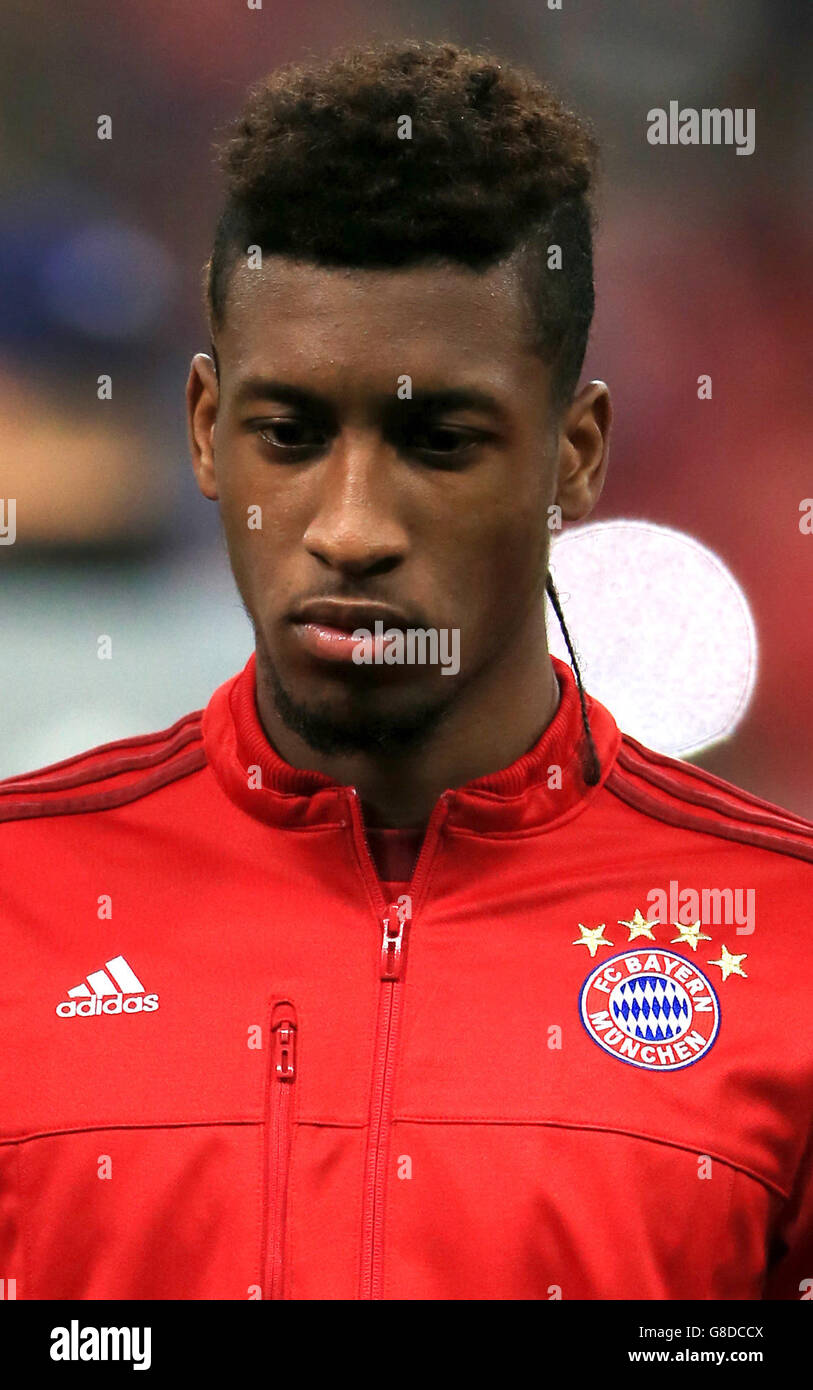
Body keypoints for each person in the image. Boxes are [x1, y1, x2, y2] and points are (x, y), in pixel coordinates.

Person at [1, 39, 812, 1301]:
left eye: (438, 441)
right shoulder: (20, 903)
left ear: (576, 454)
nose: (351, 527)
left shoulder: (786, 942)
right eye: (290, 434)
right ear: (207, 431)